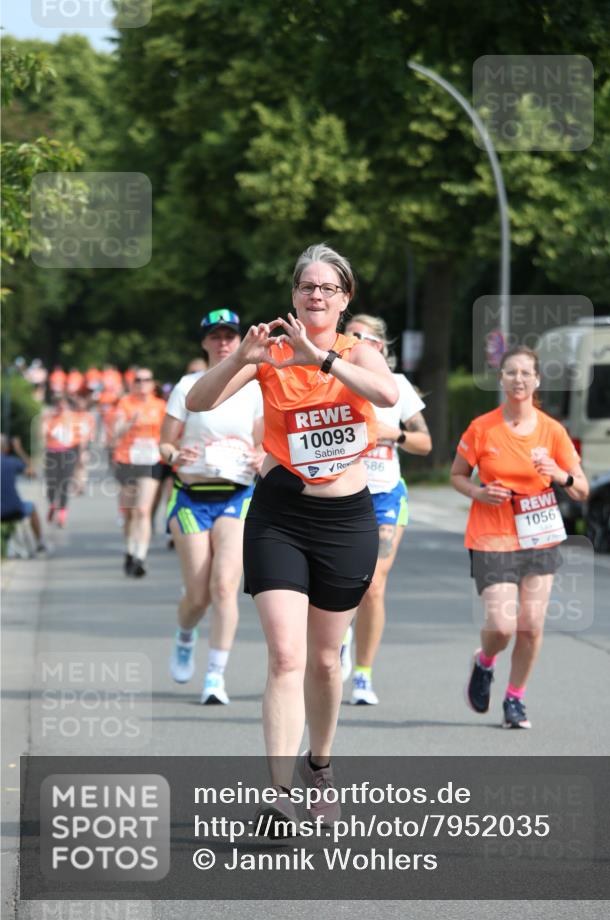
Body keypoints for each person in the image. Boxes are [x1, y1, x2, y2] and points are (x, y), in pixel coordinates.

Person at [186, 244, 398, 827]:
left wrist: (322, 360)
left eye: (328, 288)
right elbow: (198, 401)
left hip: (346, 520)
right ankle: (279, 793)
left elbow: (387, 397)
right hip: (279, 517)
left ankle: (319, 765)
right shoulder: (271, 352)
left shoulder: (359, 352)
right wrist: (241, 358)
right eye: (307, 287)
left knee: (325, 661)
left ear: (345, 298)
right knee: (285, 655)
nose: (316, 296)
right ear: (294, 296)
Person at [450, 346, 588, 729]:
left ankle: (515, 698)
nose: (519, 379)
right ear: (501, 379)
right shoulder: (482, 428)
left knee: (530, 625)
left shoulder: (552, 430)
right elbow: (457, 475)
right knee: (502, 625)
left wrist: (559, 474)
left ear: (537, 380)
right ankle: (485, 661)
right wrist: (478, 492)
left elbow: (582, 489)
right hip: (491, 535)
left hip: (539, 535)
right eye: (511, 372)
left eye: (526, 373)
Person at [160, 309, 264, 705]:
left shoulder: (252, 387)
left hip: (236, 496)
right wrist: (175, 454)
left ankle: (215, 677)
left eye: (230, 336)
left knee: (224, 586)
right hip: (191, 496)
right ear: (204, 342)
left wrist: (260, 455)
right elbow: (165, 444)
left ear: (239, 341)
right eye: (216, 336)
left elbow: (264, 441)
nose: (223, 342)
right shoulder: (187, 386)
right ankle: (185, 634)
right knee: (198, 596)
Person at [339, 314, 432, 705]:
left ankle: (363, 674)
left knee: (374, 586)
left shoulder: (398, 386)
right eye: (351, 335)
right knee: (339, 583)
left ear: (380, 347)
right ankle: (339, 636)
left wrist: (395, 434)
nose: (359, 341)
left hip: (386, 495)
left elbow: (425, 444)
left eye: (367, 337)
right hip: (341, 493)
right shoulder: (331, 378)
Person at [112, 368, 167, 577]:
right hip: (127, 460)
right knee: (129, 511)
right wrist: (129, 423)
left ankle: (140, 557)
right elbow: (115, 433)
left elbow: (168, 433)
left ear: (153, 383)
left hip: (151, 460)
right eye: (138, 380)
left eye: (146, 379)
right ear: (132, 383)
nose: (142, 383)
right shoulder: (125, 403)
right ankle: (129, 550)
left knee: (143, 510)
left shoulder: (160, 405)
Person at [42, 396, 88, 528]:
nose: (61, 407)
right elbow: (42, 435)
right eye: (58, 404)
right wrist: (44, 421)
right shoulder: (50, 418)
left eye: (64, 404)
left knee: (64, 483)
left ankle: (62, 512)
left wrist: (81, 455)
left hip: (68, 453)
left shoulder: (75, 418)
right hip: (52, 453)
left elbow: (81, 438)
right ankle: (52, 505)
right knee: (51, 483)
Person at [1, 435, 47, 552]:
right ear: (7, 448)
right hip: (15, 509)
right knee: (32, 507)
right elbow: (32, 472)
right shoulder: (12, 462)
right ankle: (40, 543)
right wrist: (19, 449)